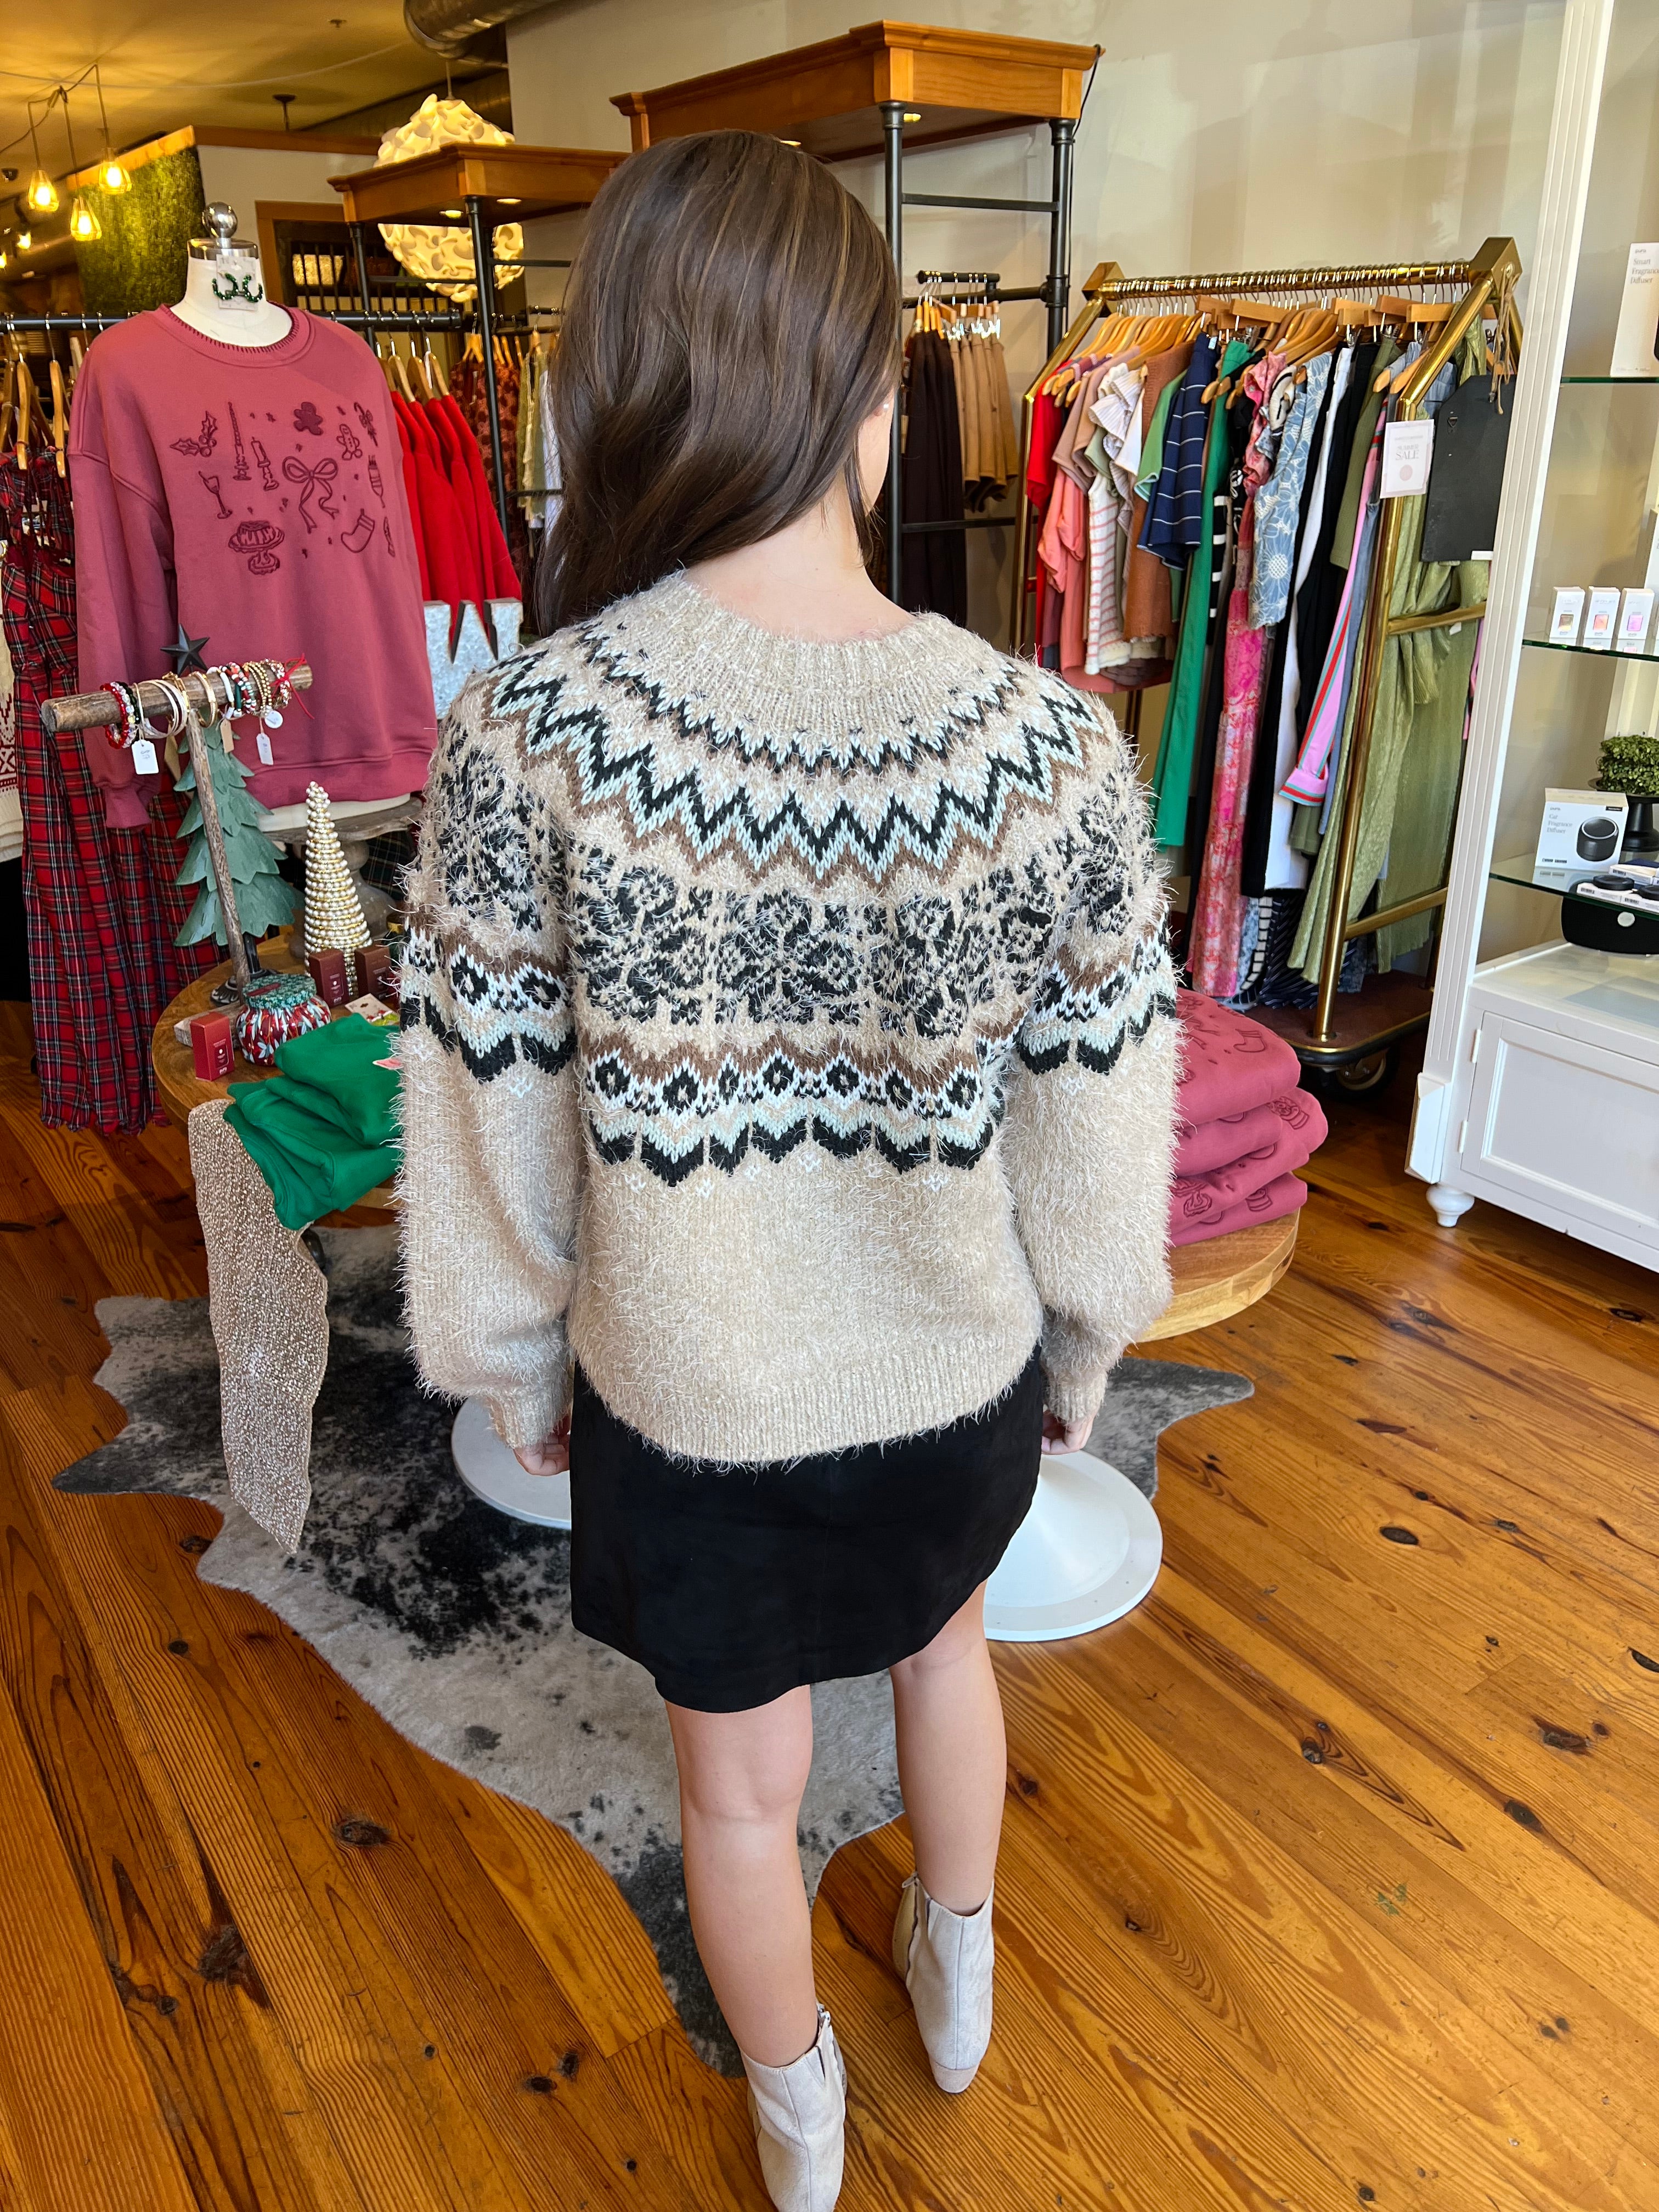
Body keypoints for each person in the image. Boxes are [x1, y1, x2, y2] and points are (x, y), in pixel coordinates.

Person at [398, 130, 1177, 2212]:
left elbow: (489, 1108)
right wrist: (1088, 1339)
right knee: (949, 1660)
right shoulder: (1046, 748)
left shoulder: (531, 736)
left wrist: (508, 1354)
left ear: (628, 387)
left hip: (692, 1398)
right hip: (954, 1372)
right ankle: (960, 1979)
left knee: (739, 1800)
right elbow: (1100, 1109)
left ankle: (800, 2115)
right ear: (866, 399)